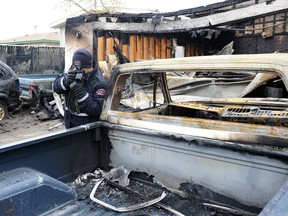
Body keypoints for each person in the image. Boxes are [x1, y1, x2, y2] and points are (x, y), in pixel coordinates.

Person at [53, 48, 107, 128]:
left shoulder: (98, 82)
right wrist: (66, 81)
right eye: (76, 68)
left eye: (82, 69)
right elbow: (56, 88)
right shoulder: (72, 72)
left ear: (89, 66)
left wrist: (80, 92)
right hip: (69, 123)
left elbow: (96, 110)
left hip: (86, 129)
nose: (79, 72)